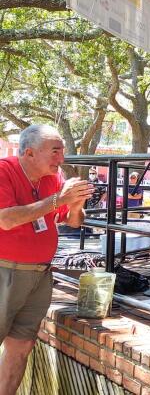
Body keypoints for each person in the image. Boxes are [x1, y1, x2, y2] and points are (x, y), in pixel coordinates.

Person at [0, 124, 93, 395]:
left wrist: (75, 205)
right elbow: (6, 220)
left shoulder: (53, 179)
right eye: (55, 151)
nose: (61, 159)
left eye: (62, 151)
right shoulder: (4, 171)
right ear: (29, 153)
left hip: (39, 275)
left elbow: (73, 222)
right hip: (5, 270)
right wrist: (58, 200)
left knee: (22, 347)